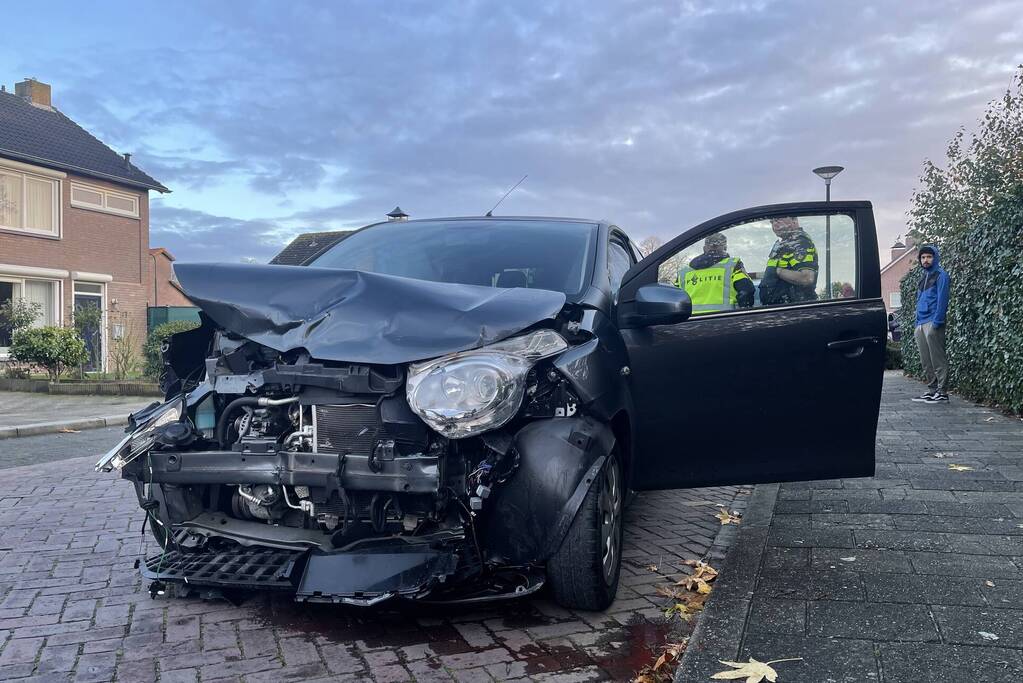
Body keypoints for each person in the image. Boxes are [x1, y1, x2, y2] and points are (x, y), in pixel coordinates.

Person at [674, 233, 754, 314]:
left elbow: (673, 299)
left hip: (691, 320)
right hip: (725, 318)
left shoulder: (683, 272)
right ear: (725, 247)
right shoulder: (733, 265)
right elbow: (747, 291)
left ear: (704, 248)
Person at [911, 245, 951, 403]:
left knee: (937, 358)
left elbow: (942, 300)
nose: (925, 260)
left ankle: (942, 392)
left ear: (935, 258)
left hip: (933, 322)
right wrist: (916, 323)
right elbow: (919, 300)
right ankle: (932, 390)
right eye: (923, 257)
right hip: (920, 323)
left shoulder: (941, 275)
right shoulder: (923, 277)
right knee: (926, 360)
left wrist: (937, 322)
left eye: (929, 257)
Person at [758, 217, 819, 305]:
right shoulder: (786, 243)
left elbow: (806, 278)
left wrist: (777, 271)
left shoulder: (799, 242)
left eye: (778, 220)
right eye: (772, 222)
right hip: (780, 307)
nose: (774, 224)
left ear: (794, 220)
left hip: (794, 307)